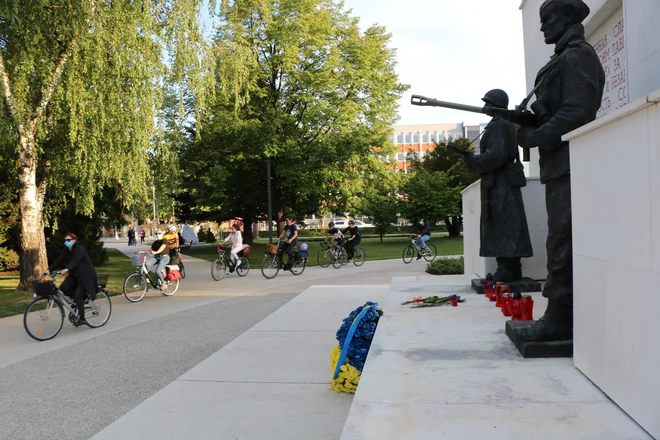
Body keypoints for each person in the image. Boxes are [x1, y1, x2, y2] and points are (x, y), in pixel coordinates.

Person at [514, 0, 605, 342]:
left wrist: (535, 136)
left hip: (571, 164)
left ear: (567, 17)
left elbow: (576, 112)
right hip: (559, 166)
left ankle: (559, 319)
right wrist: (526, 121)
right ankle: (560, 314)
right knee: (559, 240)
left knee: (563, 241)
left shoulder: (576, 56)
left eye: (547, 19)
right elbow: (553, 112)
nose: (541, 27)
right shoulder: (560, 60)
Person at [463, 89, 534, 281]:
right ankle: (510, 269)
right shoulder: (501, 124)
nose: (485, 107)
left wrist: (472, 160)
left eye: (488, 103)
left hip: (500, 183)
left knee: (503, 224)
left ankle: (507, 270)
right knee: (504, 223)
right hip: (500, 182)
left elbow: (496, 156)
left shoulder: (500, 125)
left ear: (496, 105)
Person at [45, 233, 99, 327]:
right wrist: (49, 269)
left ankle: (82, 318)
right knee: (64, 287)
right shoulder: (67, 250)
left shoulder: (79, 248)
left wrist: (67, 268)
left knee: (79, 295)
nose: (67, 242)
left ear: (74, 240)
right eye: (65, 240)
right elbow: (59, 260)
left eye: (69, 240)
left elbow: (76, 260)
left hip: (86, 276)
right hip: (75, 275)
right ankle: (78, 303)